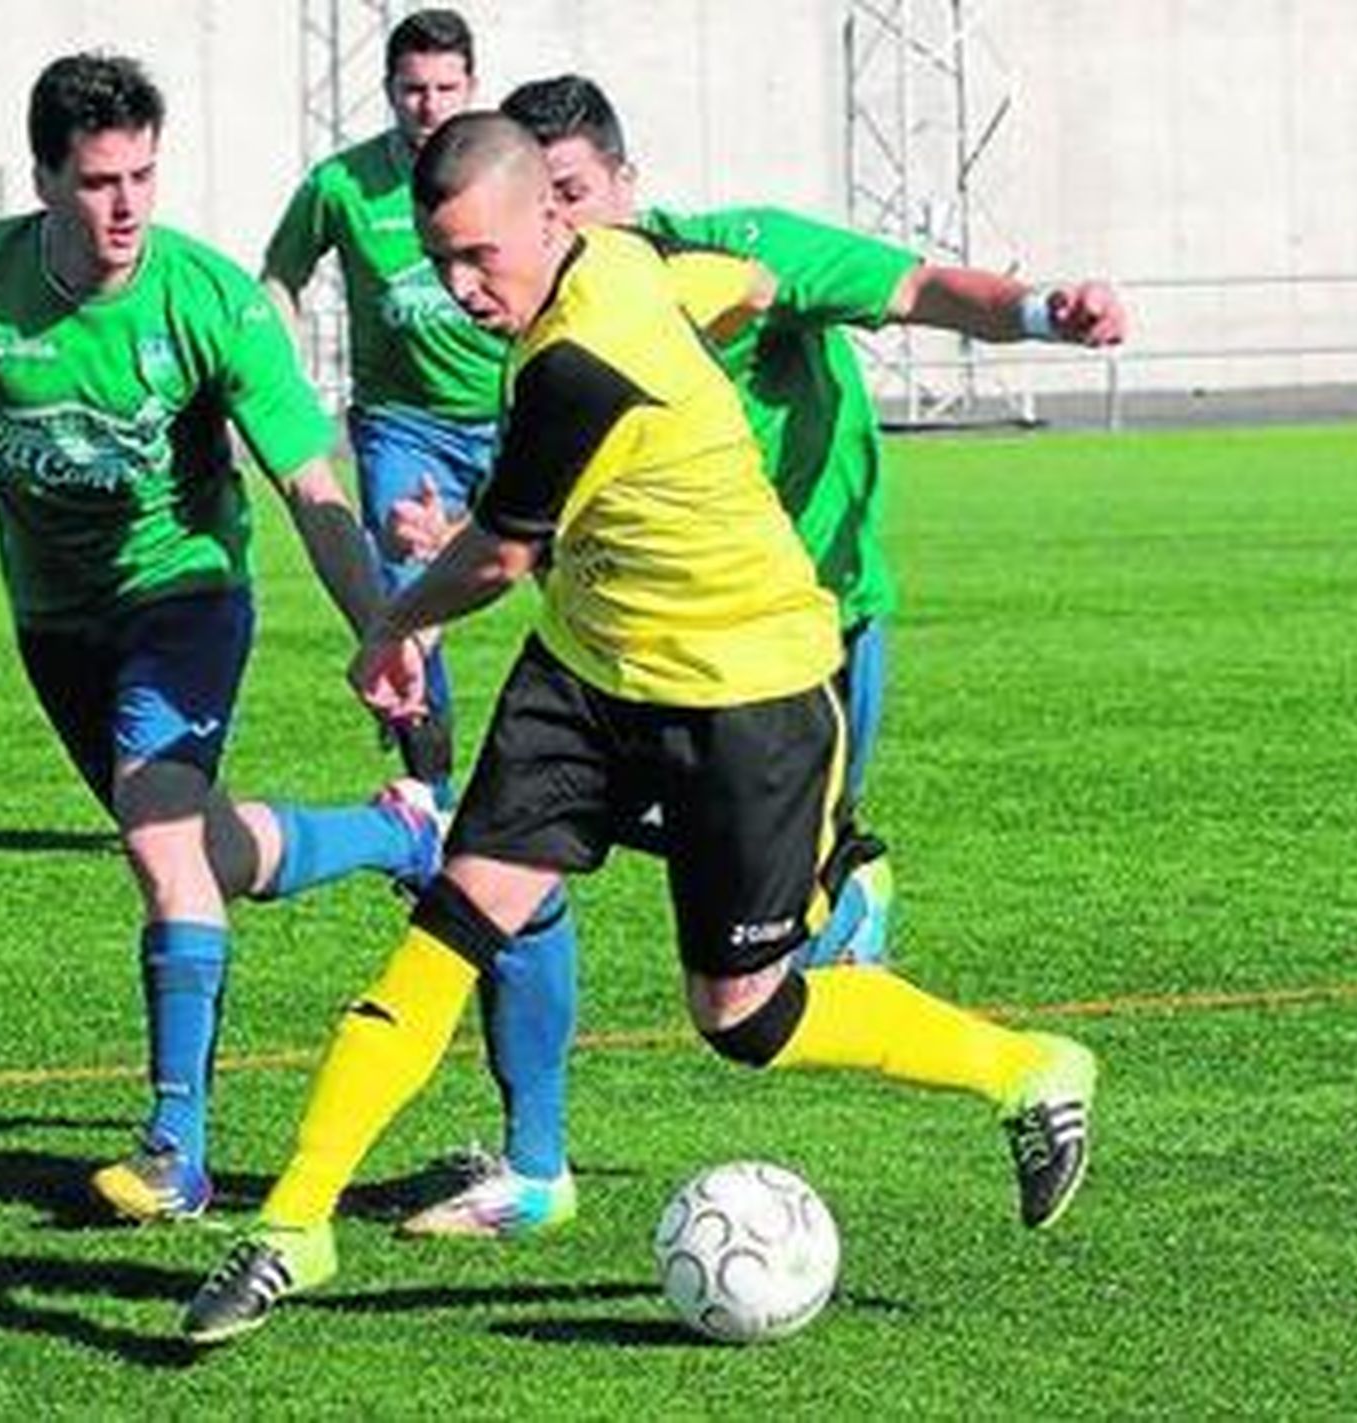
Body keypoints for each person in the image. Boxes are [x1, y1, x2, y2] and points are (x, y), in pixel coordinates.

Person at [181, 112, 1098, 1347]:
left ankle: (1029, 1068)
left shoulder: (582, 355)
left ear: (552, 219)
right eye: (439, 262)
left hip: (746, 687)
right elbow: (736, 281)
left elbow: (502, 555)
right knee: (450, 923)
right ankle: (295, 1225)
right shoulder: (617, 263)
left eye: (479, 259)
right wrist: (727, 309)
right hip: (587, 673)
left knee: (745, 1020)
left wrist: (387, 626)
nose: (460, 291)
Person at [385, 74, 1127, 1238]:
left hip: (800, 641)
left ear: (621, 184)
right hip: (632, 655)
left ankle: (853, 881)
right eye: (545, 207)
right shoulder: (540, 310)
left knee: (748, 990)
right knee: (508, 886)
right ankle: (534, 1164)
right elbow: (545, 501)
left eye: (577, 196)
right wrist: (467, 540)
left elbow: (922, 286)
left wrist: (1042, 315)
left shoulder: (741, 255)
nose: (560, 229)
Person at [0, 52, 443, 1225]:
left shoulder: (208, 300)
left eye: (143, 176)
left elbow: (309, 485)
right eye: (98, 180)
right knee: (202, 848)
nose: (125, 206)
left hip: (185, 601)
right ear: (43, 180)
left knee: (156, 841)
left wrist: (382, 622)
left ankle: (177, 1148)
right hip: (55, 624)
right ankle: (393, 836)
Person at [263, 8, 501, 809]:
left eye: (446, 87)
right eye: (413, 89)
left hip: (515, 412)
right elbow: (279, 275)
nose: (429, 104)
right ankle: (428, 786)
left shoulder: (507, 169)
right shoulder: (342, 184)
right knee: (407, 592)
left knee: (580, 569)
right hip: (405, 425)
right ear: (389, 90)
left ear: (472, 85)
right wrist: (281, 375)